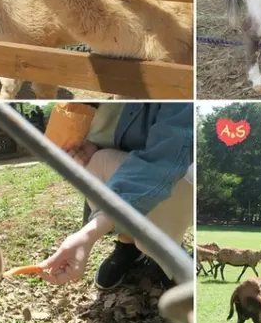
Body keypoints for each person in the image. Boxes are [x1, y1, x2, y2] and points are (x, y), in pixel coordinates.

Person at [39, 103, 193, 290]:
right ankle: (128, 244)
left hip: (178, 175)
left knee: (168, 183)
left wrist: (89, 233)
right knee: (94, 163)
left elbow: (164, 160)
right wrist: (87, 145)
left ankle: (167, 252)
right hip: (116, 161)